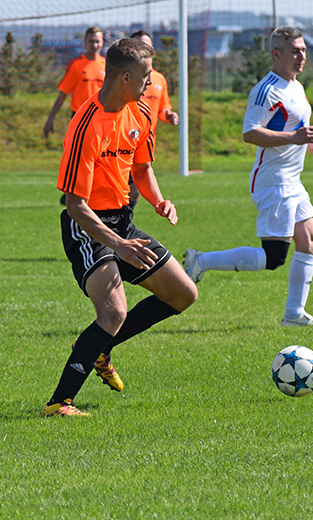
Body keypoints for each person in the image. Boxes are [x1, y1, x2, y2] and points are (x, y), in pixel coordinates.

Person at [40, 38, 198, 417]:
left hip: (122, 222)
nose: (152, 84)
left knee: (183, 294)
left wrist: (159, 200)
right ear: (126, 77)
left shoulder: (141, 114)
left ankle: (97, 347)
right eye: (146, 77)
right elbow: (75, 206)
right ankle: (59, 403)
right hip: (87, 226)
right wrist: (119, 245)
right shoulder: (84, 126)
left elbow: (141, 168)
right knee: (112, 312)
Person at [182, 26, 313, 327]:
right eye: (294, 51)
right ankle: (201, 261)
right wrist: (294, 137)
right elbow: (250, 133)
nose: (301, 56)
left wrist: (309, 144)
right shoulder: (267, 89)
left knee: (310, 242)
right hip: (273, 181)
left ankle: (294, 315)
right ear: (276, 54)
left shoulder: (297, 87)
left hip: (292, 180)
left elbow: (293, 130)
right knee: (274, 256)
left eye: (303, 50)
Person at [43, 27, 106, 205]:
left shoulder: (107, 65)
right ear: (85, 42)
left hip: (102, 120)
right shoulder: (77, 65)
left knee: (101, 159)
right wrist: (50, 118)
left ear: (102, 43)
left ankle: (89, 195)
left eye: (98, 41)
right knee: (79, 158)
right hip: (80, 119)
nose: (95, 44)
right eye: (91, 41)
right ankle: (73, 193)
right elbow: (62, 94)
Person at [127, 30, 178, 210]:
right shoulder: (123, 77)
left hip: (144, 144)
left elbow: (163, 108)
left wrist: (169, 116)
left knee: (135, 191)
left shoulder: (159, 79)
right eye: (138, 45)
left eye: (146, 45)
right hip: (121, 140)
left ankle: (120, 223)